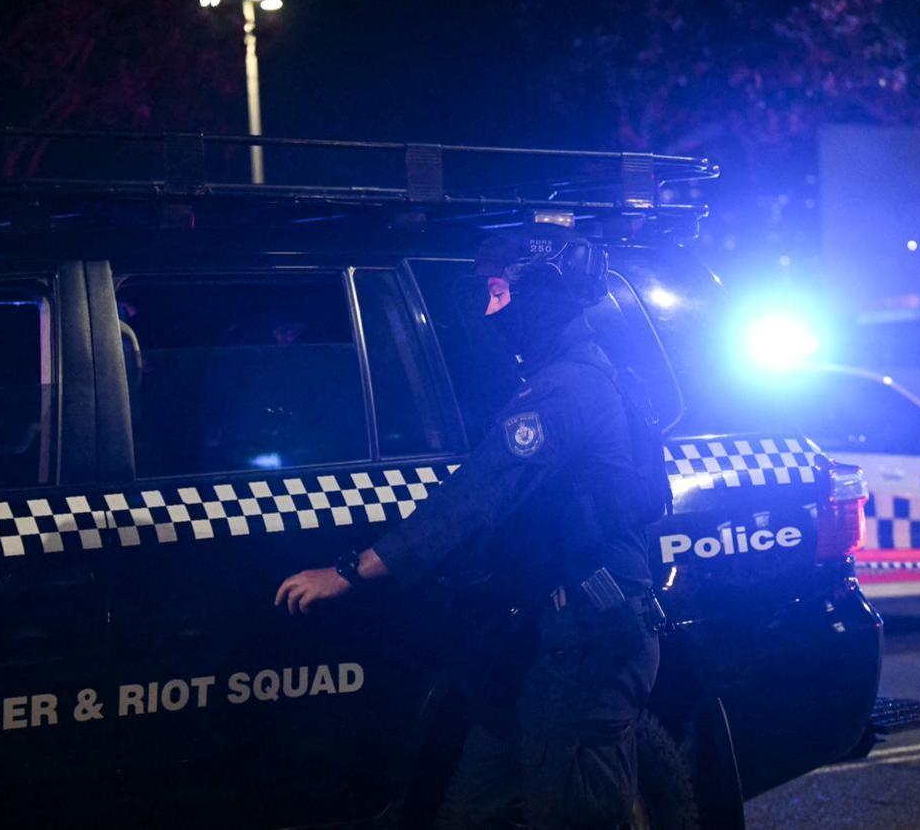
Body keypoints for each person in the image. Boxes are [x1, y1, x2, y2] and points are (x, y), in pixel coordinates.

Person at [275, 226, 665, 828]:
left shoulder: (567, 391)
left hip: (587, 646)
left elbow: (478, 494)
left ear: (540, 299)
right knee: (473, 812)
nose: (488, 310)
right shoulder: (566, 377)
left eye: (499, 293)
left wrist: (353, 570)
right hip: (539, 642)